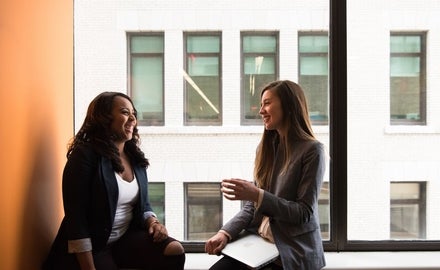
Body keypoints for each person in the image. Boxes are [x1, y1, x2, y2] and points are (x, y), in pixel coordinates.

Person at [43, 92, 185, 270]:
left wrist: (153, 223)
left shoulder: (135, 157)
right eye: (125, 112)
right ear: (104, 118)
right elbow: (76, 219)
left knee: (174, 249)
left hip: (123, 239)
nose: (133, 118)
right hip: (92, 247)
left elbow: (143, 205)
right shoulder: (84, 155)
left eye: (134, 113)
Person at [205, 80, 326, 270]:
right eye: (261, 104)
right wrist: (225, 233)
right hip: (260, 244)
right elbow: (253, 207)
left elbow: (303, 213)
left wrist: (257, 195)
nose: (261, 110)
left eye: (267, 103)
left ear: (288, 105)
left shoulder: (312, 150)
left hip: (291, 249)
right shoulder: (267, 148)